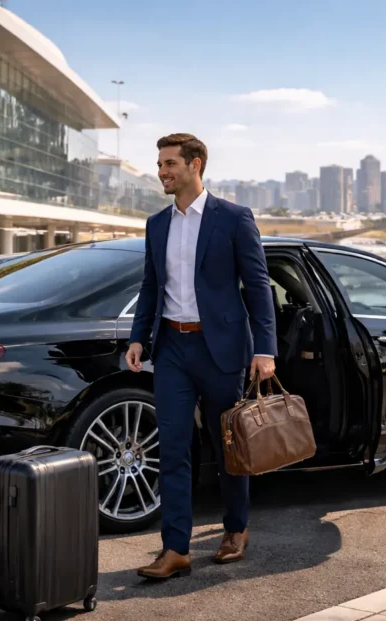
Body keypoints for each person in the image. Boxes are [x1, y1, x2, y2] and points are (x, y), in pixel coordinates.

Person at [126, 133, 277, 580]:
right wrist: (139, 338)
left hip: (222, 349)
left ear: (195, 165)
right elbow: (150, 286)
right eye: (159, 164)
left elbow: (258, 285)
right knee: (172, 448)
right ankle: (175, 549)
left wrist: (265, 349)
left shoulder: (232, 218)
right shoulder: (157, 224)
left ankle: (235, 528)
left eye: (169, 163)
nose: (162, 171)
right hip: (172, 346)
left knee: (229, 443)